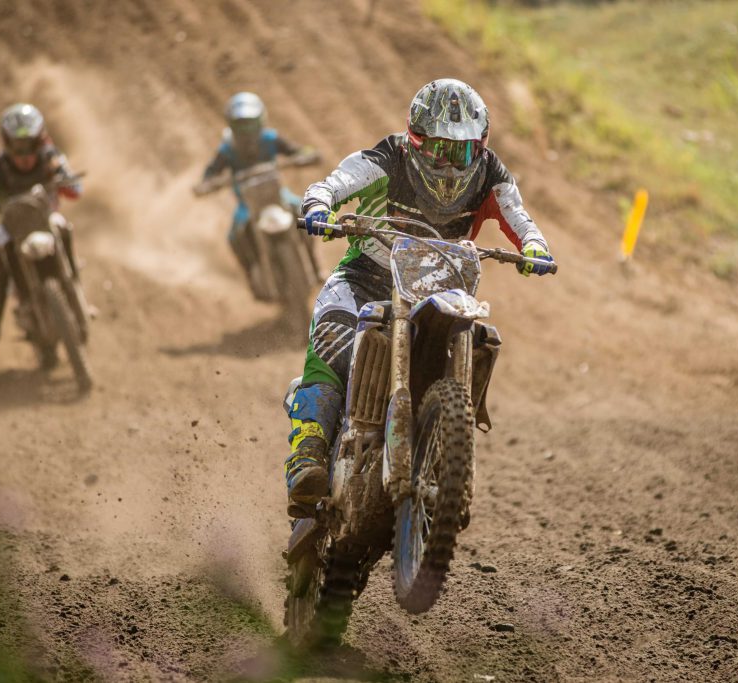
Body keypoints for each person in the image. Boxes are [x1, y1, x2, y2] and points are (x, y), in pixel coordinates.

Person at [284, 78, 554, 516]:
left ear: (480, 148)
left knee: (481, 337)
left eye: (462, 151)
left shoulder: (490, 174)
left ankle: (449, 457)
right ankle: (309, 452)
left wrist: (535, 247)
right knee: (332, 336)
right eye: (441, 150)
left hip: (440, 288)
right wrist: (319, 205)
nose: (450, 164)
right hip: (366, 276)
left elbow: (519, 216)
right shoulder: (386, 157)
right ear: (416, 141)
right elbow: (335, 182)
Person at [0, 103, 83, 357]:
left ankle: (75, 291)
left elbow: (75, 189)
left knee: (65, 229)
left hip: (46, 219)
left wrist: (62, 176)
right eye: (17, 147)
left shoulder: (51, 158)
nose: (24, 155)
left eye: (30, 146)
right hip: (12, 228)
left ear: (41, 140)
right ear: (6, 143)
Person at [197, 92, 311, 295]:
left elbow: (296, 150)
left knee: (305, 214)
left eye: (250, 124)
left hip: (278, 196)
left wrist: (306, 155)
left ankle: (315, 265)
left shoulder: (270, 139)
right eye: (241, 126)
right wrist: (206, 184)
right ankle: (252, 279)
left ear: (260, 121)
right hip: (247, 204)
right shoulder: (227, 149)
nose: (247, 131)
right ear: (232, 125)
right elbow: (211, 172)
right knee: (234, 237)